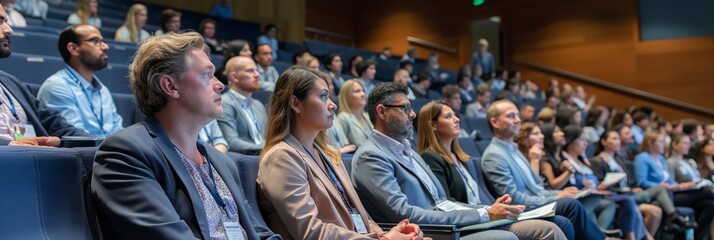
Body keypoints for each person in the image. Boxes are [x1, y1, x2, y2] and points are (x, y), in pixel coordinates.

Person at [91, 32, 280, 239]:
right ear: (170, 86)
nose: (220, 85)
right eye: (207, 75)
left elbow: (258, 232)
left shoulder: (222, 162)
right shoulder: (126, 153)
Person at [353, 84, 569, 240]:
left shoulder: (410, 152)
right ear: (382, 111)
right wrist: (483, 215)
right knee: (511, 237)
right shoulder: (371, 156)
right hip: (433, 232)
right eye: (405, 108)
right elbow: (403, 214)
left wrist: (488, 209)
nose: (412, 114)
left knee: (551, 228)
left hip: (451, 223)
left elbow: (444, 201)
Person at [256, 66, 425, 240]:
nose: (333, 105)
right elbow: (310, 232)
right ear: (296, 104)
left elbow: (360, 217)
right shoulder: (281, 157)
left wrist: (386, 234)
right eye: (323, 96)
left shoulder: (329, 155)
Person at [479, 100, 609, 240]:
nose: (518, 120)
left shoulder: (513, 149)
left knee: (572, 201)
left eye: (518, 115)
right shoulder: (494, 155)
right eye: (511, 116)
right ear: (495, 122)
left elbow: (537, 188)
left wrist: (560, 193)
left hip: (533, 201)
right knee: (570, 205)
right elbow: (512, 197)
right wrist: (555, 198)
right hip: (522, 208)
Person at [0, 5, 90, 146]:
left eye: (6, 21)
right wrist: (8, 146)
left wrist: (98, 143)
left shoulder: (12, 83)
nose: (9, 29)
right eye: (0, 21)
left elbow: (56, 124)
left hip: (35, 161)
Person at [589, 130, 691, 236]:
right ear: (603, 141)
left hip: (628, 193)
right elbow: (600, 184)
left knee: (657, 206)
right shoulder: (597, 160)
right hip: (617, 195)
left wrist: (676, 185)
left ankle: (666, 225)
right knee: (657, 195)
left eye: (619, 138)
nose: (618, 141)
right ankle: (672, 219)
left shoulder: (618, 160)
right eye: (614, 138)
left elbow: (629, 182)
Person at [559, 125, 647, 240]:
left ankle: (601, 232)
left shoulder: (583, 161)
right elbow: (566, 184)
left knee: (610, 204)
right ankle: (605, 235)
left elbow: (595, 180)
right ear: (570, 141)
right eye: (581, 140)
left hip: (595, 194)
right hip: (580, 197)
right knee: (617, 200)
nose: (586, 143)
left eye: (586, 140)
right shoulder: (564, 160)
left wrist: (599, 186)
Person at [37, 24, 123, 137]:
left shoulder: (103, 90)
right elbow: (75, 138)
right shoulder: (57, 86)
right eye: (95, 41)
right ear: (73, 48)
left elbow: (119, 131)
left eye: (103, 41)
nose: (105, 46)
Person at [635, 131, 714, 240]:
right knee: (707, 192)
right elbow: (641, 182)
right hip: (656, 194)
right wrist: (661, 184)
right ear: (650, 142)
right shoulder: (642, 158)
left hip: (670, 192)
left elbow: (670, 180)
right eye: (661, 141)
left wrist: (678, 185)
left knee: (709, 204)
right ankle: (674, 218)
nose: (664, 144)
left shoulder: (661, 159)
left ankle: (699, 237)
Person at [217, 56, 267, 155]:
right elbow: (231, 141)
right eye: (250, 71)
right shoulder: (224, 103)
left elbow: (268, 136)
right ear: (234, 77)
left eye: (256, 70)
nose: (257, 75)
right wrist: (267, 148)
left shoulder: (258, 104)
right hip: (245, 159)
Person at [334, 80, 372, 148]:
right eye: (357, 91)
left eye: (363, 90)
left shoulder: (368, 116)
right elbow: (344, 147)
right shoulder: (343, 118)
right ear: (347, 96)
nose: (363, 94)